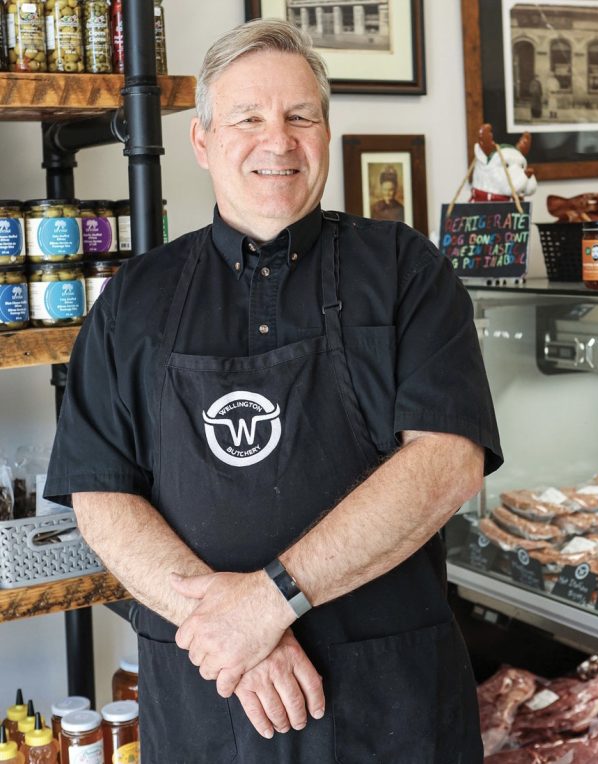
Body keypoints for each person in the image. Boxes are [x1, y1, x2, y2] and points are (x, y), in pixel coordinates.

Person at [45, 18, 502, 763]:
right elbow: (102, 498)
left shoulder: (407, 270)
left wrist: (269, 600)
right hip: (209, 699)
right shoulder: (132, 300)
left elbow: (447, 463)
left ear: (326, 131)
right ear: (202, 140)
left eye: (300, 116)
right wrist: (238, 634)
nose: (278, 140)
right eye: (248, 118)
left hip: (390, 702)